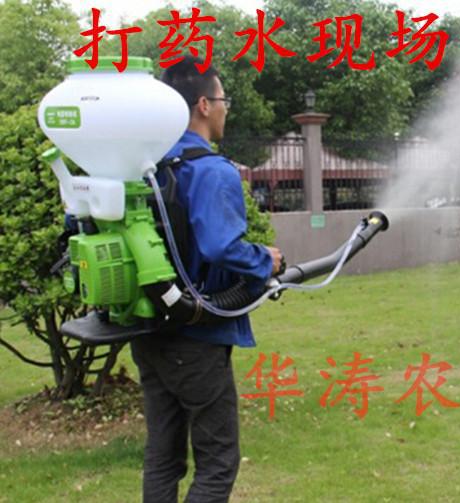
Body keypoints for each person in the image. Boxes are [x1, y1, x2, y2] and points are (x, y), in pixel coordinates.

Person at [130, 55, 283, 503]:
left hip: (150, 332)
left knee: (163, 457)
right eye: (222, 100)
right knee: (218, 463)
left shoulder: (146, 166)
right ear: (203, 105)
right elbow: (220, 247)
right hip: (196, 337)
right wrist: (265, 259)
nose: (225, 110)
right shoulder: (211, 171)